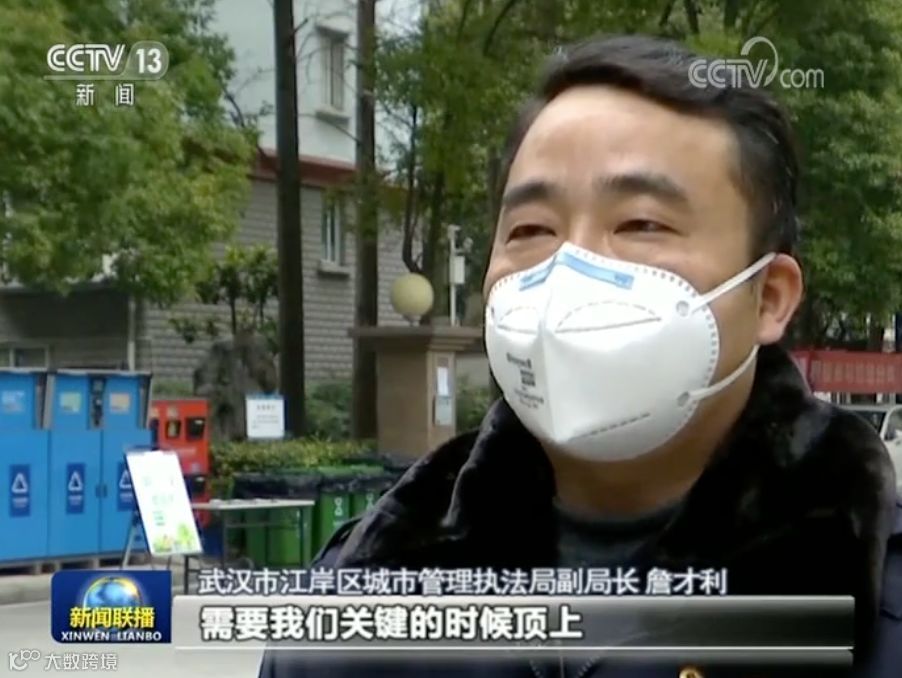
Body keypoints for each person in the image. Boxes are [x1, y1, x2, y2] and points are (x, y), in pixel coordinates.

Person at [259, 34, 900, 677]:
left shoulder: (874, 596)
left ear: (769, 297)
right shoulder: (358, 602)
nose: (571, 267)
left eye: (641, 223)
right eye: (531, 229)